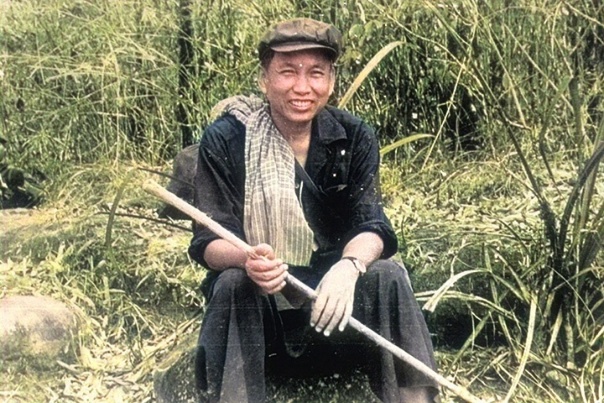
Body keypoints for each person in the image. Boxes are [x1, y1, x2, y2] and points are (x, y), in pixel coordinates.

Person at [188, 18, 439, 403]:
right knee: (233, 282)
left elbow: (372, 224)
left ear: (331, 81)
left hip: (337, 314)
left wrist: (348, 267)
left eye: (316, 73)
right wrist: (247, 259)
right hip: (261, 325)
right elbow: (208, 241)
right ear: (264, 79)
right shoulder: (227, 138)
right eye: (288, 72)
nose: (302, 87)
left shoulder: (353, 136)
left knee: (386, 274)